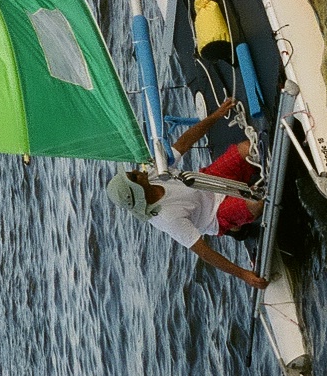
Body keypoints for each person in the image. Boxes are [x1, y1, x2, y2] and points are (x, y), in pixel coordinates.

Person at [105, 96, 269, 290]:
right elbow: (205, 252)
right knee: (257, 203)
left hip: (210, 180)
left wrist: (216, 115)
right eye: (134, 176)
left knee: (248, 149)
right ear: (138, 191)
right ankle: (234, 227)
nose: (139, 171)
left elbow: (185, 142)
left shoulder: (152, 173)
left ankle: (239, 219)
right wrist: (244, 275)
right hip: (215, 215)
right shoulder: (168, 219)